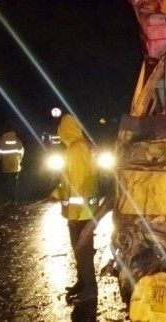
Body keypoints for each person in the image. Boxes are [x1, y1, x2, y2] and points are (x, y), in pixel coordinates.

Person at [50, 114, 99, 305]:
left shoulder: (76, 148)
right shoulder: (80, 146)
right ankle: (83, 283)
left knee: (83, 252)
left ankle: (90, 290)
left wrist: (72, 214)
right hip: (86, 211)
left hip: (81, 213)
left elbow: (78, 185)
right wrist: (57, 192)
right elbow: (70, 180)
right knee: (80, 251)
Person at [0, 124, 24, 206]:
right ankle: (14, 199)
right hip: (15, 164)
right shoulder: (17, 139)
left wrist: (2, 160)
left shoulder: (1, 140)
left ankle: (8, 199)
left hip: (6, 164)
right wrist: (19, 160)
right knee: (15, 182)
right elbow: (21, 151)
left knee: (7, 182)